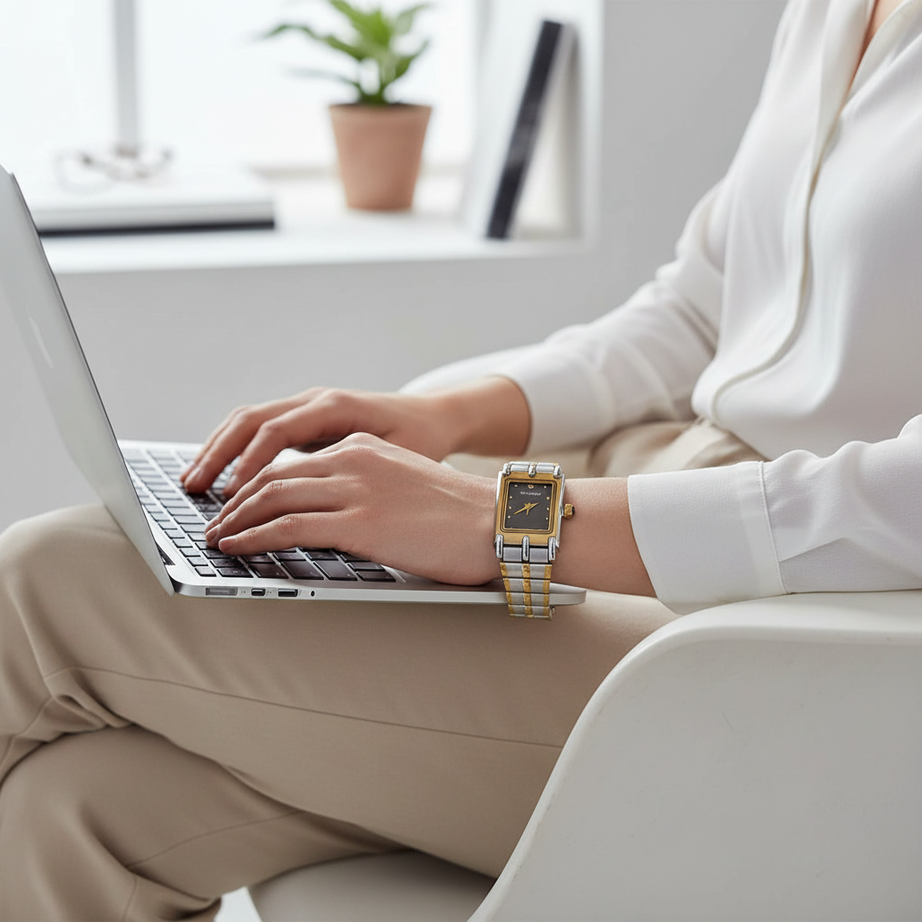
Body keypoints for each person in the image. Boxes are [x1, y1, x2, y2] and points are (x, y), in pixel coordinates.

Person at [2, 0, 921, 917]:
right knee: (71, 811)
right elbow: (703, 310)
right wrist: (442, 415)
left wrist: (507, 517)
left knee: (50, 578)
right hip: (670, 530)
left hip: (822, 654)